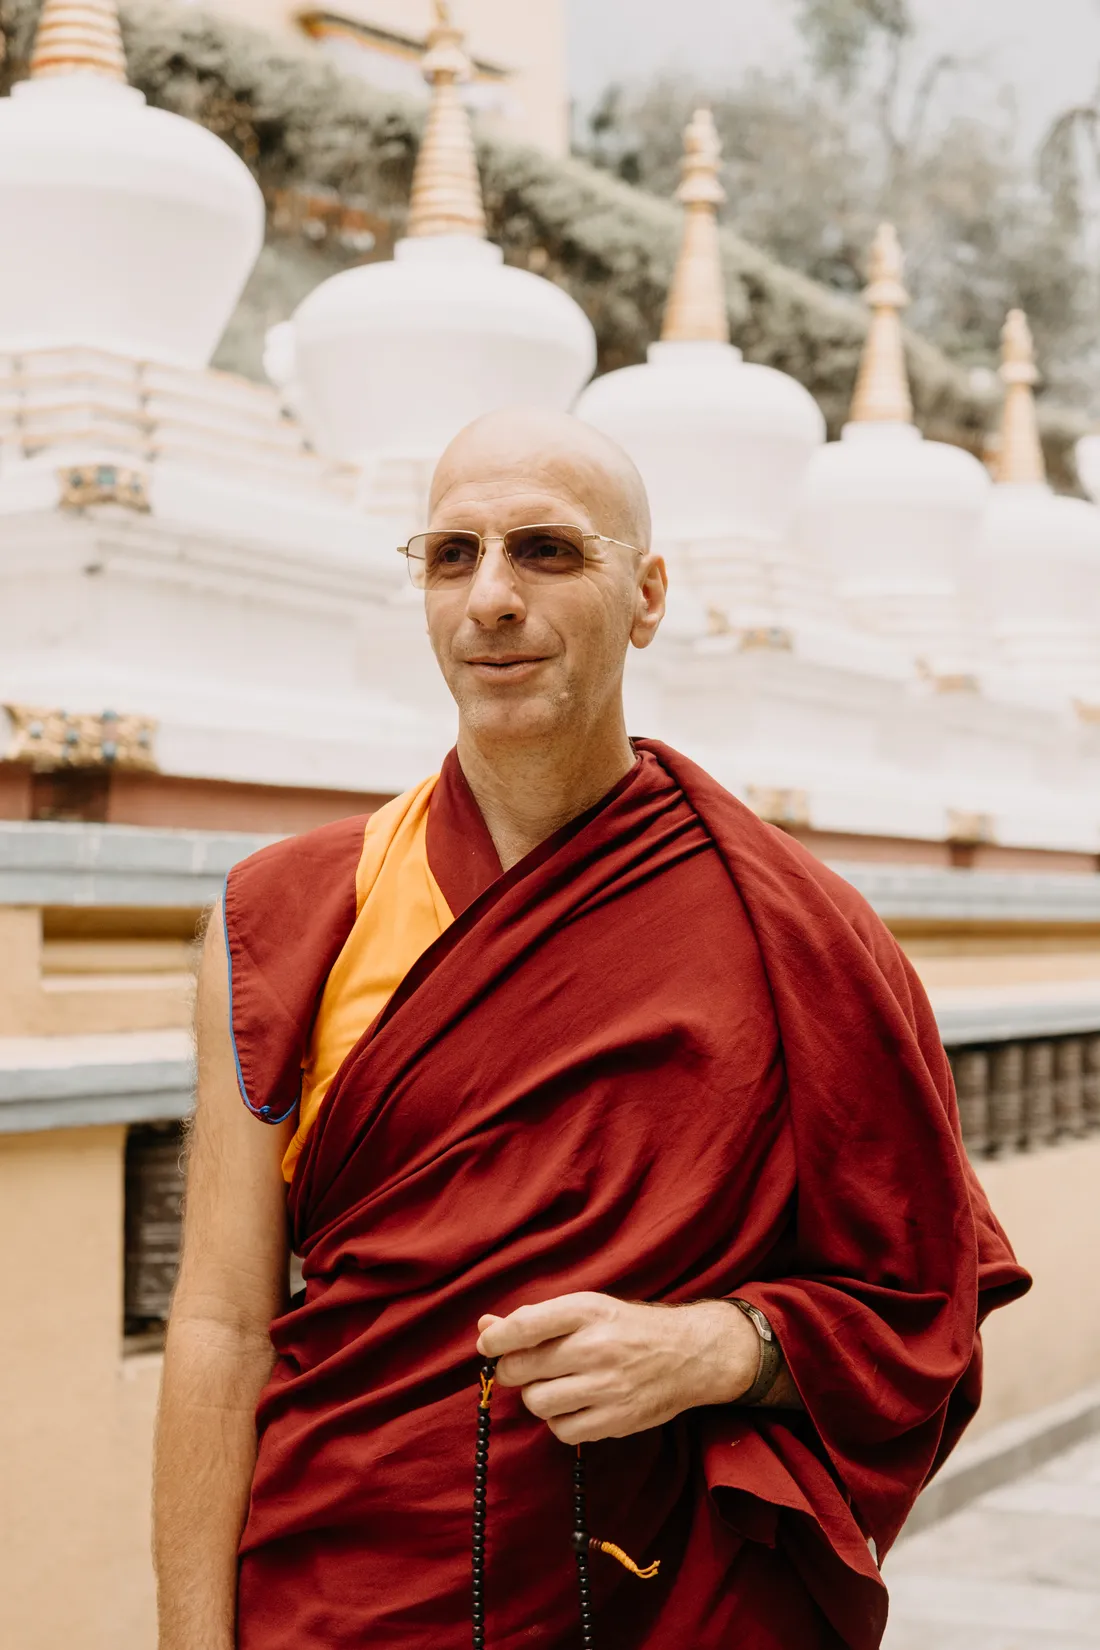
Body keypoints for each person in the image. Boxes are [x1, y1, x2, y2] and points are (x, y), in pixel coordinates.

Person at [153, 408, 1029, 1650]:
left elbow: (916, 1306)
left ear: (647, 594)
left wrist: (720, 1349)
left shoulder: (796, 929)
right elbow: (223, 1321)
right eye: (451, 556)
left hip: (658, 1587)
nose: (491, 599)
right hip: (339, 1586)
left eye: (547, 551)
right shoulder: (286, 914)